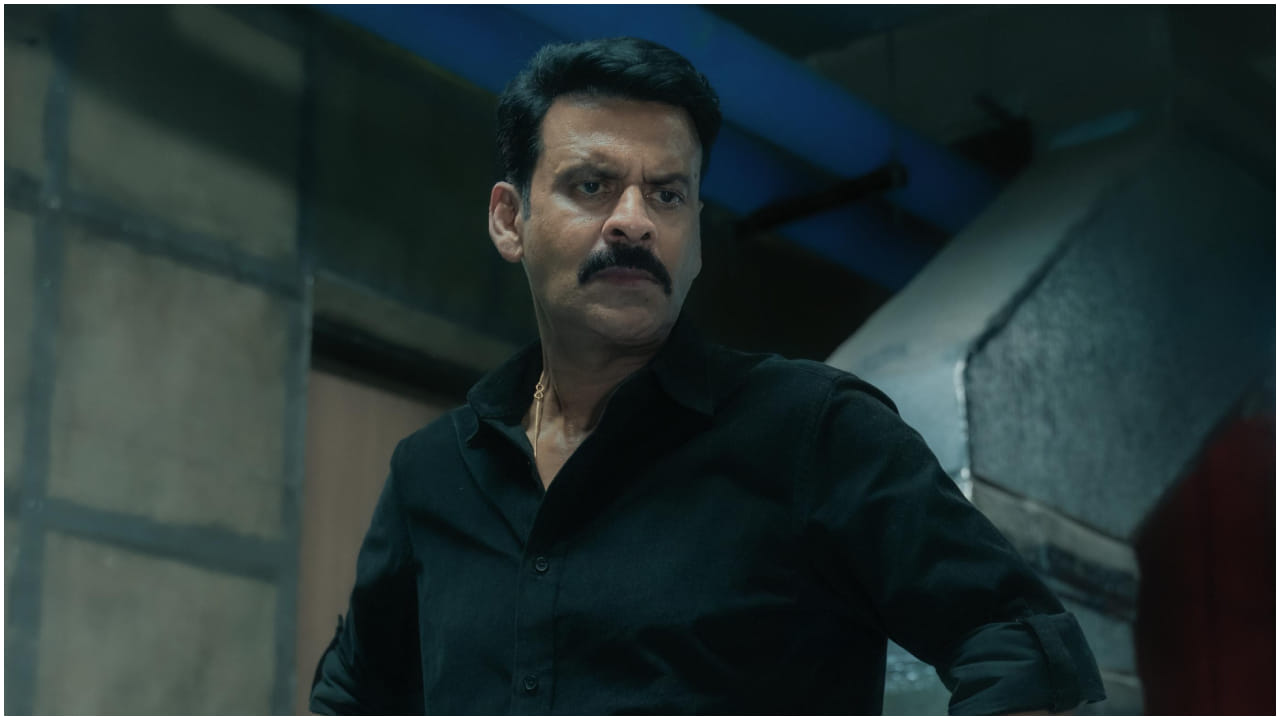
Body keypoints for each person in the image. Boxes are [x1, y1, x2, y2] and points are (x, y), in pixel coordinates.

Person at [309, 37, 1105, 715]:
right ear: (510, 220)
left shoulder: (814, 431)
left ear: (693, 240)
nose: (633, 220)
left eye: (667, 194)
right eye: (592, 185)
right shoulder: (432, 475)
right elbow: (353, 696)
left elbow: (1023, 647)